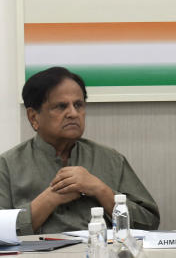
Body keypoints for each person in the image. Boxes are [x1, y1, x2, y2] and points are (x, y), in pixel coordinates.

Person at [0, 67, 159, 235]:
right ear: (33, 117)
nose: (73, 113)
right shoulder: (8, 165)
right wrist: (50, 199)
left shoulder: (110, 159)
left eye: (78, 105)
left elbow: (149, 223)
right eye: (61, 106)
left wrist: (101, 190)